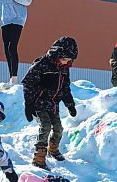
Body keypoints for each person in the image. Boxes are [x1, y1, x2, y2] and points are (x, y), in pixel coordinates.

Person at [22, 36, 78, 170]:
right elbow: (28, 84)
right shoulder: (42, 64)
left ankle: (53, 149)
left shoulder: (64, 68)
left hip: (53, 105)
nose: (66, 62)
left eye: (69, 60)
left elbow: (65, 87)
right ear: (57, 53)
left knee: (58, 128)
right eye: (65, 59)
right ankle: (39, 157)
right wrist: (29, 105)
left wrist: (70, 104)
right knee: (45, 126)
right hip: (38, 103)